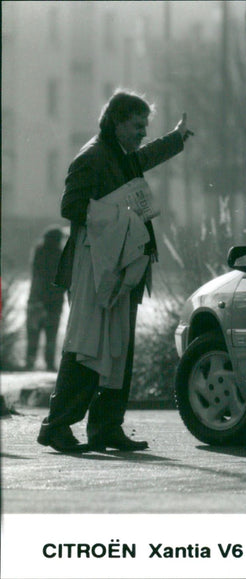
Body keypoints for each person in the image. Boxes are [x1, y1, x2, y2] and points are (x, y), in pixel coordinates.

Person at [37, 89, 193, 453]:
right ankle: (56, 426)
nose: (142, 132)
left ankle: (106, 428)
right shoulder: (92, 156)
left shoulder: (118, 153)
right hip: (94, 271)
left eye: (145, 126)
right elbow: (70, 206)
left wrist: (176, 138)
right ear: (117, 121)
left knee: (118, 350)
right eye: (138, 125)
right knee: (86, 348)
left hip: (116, 269)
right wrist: (123, 219)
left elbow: (145, 157)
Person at [25, 227, 67, 371]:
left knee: (33, 334)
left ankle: (30, 363)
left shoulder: (39, 252)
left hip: (36, 299)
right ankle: (49, 364)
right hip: (54, 302)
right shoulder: (60, 254)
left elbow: (36, 276)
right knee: (51, 335)